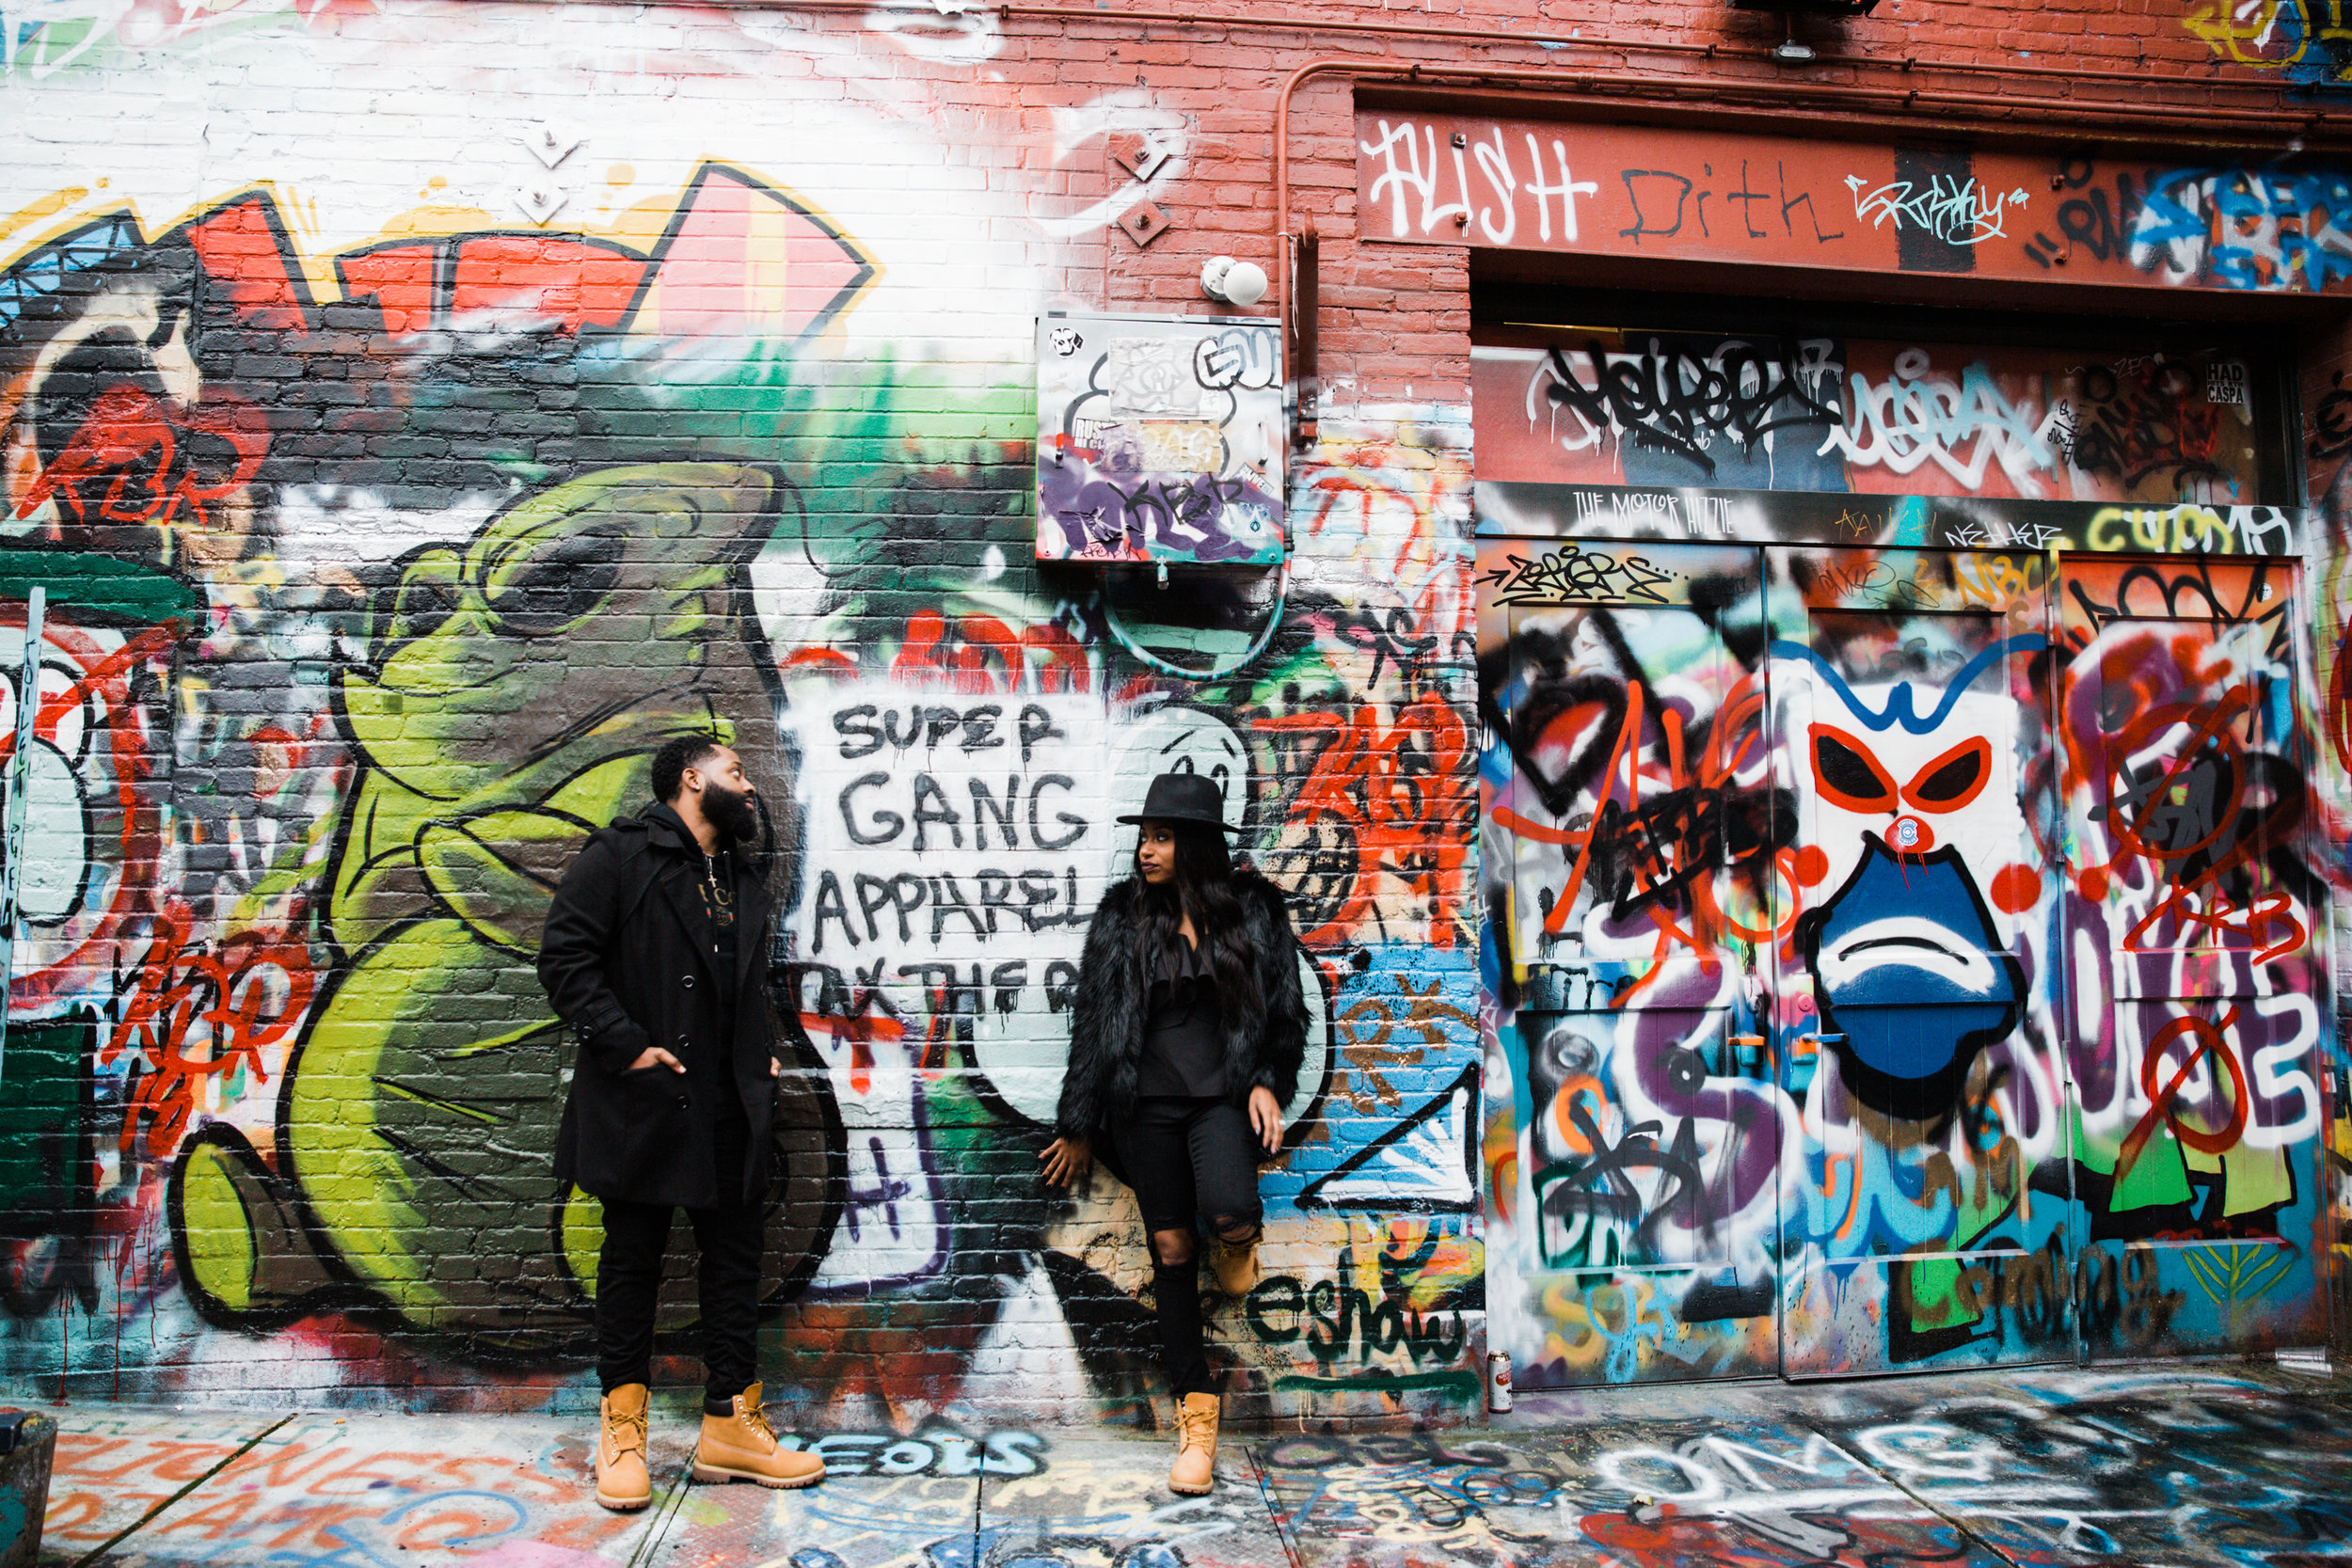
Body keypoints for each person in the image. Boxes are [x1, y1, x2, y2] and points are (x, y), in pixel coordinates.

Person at [538, 735, 824, 1511]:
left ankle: (731, 1424)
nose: (749, 786)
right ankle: (623, 1431)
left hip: (727, 1104)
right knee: (633, 1258)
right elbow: (563, 959)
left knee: (734, 1260)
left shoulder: (737, 874)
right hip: (642, 1101)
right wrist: (625, 1045)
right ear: (691, 779)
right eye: (735, 772)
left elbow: (735, 986)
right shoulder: (620, 856)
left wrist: (754, 1053)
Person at [1040, 771, 1310, 1497]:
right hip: (1144, 1108)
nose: (1145, 850)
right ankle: (1198, 1415)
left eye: (1160, 837)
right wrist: (1079, 1125)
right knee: (1170, 1246)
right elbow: (1094, 1028)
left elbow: (1287, 1016)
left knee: (1228, 1208)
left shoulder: (1254, 912)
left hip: (1219, 1100)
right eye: (1143, 837)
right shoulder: (1123, 918)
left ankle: (1239, 1238)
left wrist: (1265, 1081)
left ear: (1192, 844)